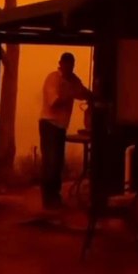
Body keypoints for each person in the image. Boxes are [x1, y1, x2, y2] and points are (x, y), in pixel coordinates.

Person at [40, 52, 92, 208]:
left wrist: (94, 97)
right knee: (51, 162)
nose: (70, 68)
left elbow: (83, 92)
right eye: (67, 64)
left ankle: (54, 197)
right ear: (61, 64)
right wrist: (70, 92)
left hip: (61, 126)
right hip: (49, 124)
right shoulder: (53, 79)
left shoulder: (73, 80)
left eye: (72, 65)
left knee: (57, 163)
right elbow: (54, 102)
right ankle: (48, 199)